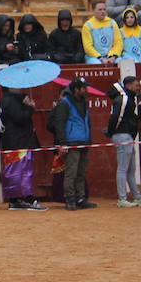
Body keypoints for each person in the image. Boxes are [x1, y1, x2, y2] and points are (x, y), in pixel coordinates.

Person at [49, 77, 95, 209]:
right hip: (71, 142)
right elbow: (60, 123)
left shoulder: (83, 102)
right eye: (83, 88)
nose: (86, 90)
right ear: (76, 89)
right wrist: (63, 143)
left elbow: (88, 122)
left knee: (80, 172)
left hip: (83, 141)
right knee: (71, 173)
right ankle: (70, 199)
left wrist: (89, 139)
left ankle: (81, 198)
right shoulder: (64, 103)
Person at [0, 86, 46, 210]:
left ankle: (14, 199)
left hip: (11, 142)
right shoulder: (11, 101)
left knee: (13, 171)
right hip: (19, 142)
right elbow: (20, 118)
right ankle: (28, 198)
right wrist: (29, 107)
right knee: (24, 171)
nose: (19, 88)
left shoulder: (5, 101)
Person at [107, 75, 141, 207]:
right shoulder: (125, 98)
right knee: (123, 168)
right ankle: (122, 198)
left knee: (130, 168)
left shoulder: (128, 97)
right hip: (122, 134)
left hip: (126, 135)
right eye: (136, 85)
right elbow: (116, 117)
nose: (138, 88)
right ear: (129, 85)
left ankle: (136, 196)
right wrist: (112, 131)